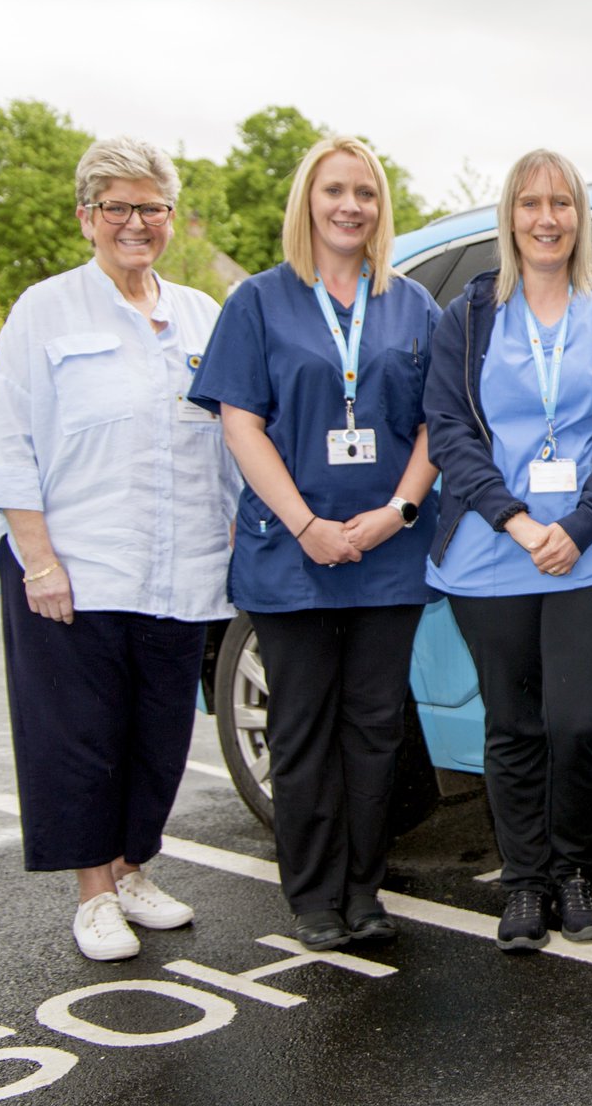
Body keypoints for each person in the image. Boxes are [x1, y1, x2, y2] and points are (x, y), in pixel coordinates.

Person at [0, 137, 241, 962]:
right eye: (117, 207)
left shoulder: (201, 314)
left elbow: (232, 439)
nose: (135, 223)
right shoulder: (44, 310)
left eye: (151, 207)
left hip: (180, 567)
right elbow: (6, 440)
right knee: (79, 737)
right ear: (88, 217)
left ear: (171, 217)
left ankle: (131, 869)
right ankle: (93, 893)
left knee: (159, 733)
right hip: (76, 567)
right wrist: (39, 560)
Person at [189, 136, 440, 952]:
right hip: (290, 553)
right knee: (300, 729)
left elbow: (439, 424)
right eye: (334, 190)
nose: (350, 206)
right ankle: (313, 897)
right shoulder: (258, 302)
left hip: (387, 552)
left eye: (365, 192)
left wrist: (397, 511)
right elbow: (241, 424)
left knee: (375, 729)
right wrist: (306, 524)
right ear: (308, 200)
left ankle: (364, 890)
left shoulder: (412, 305)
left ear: (380, 208)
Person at [423, 149, 592, 951]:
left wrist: (581, 526)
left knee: (580, 721)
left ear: (580, 216)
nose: (547, 218)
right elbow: (449, 432)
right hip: (494, 548)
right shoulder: (470, 316)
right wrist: (516, 520)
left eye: (561, 202)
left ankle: (575, 873)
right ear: (510, 216)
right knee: (515, 723)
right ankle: (524, 883)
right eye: (530, 203)